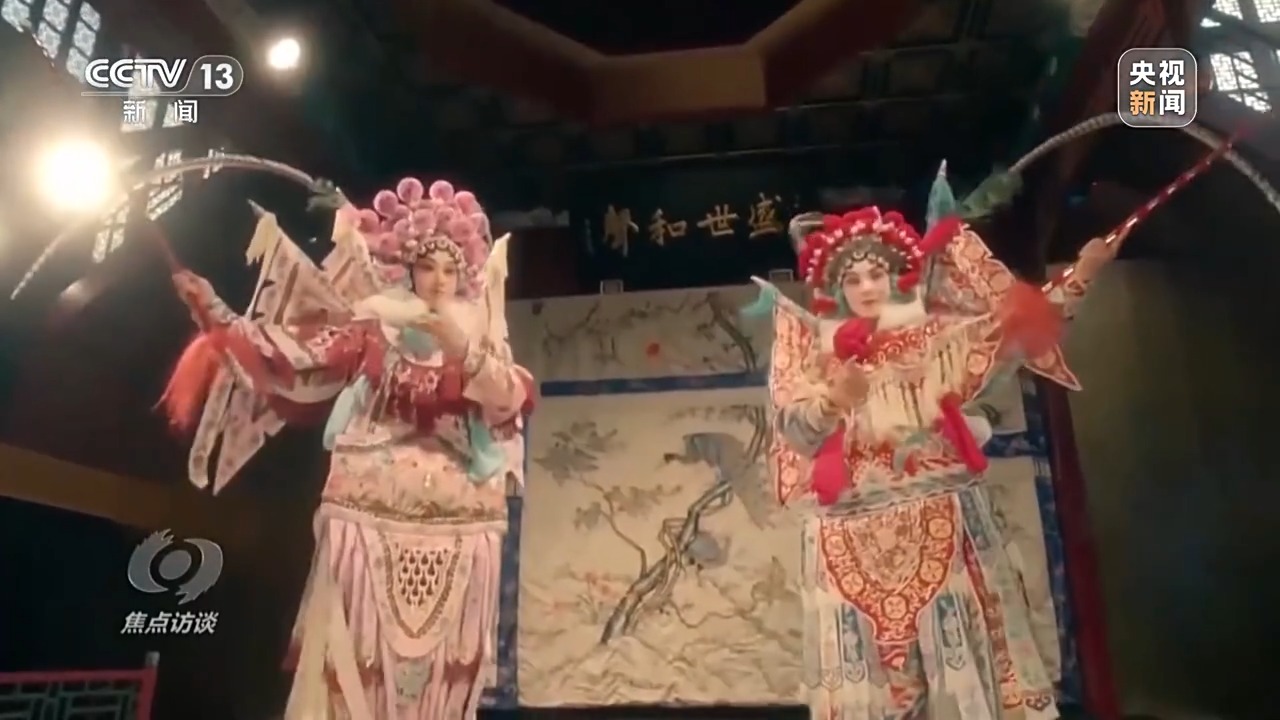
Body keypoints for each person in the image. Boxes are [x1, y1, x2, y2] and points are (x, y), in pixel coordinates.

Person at [749, 142, 1235, 719]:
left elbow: (1010, 335)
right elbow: (795, 431)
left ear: (897, 277)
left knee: (969, 667)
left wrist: (1083, 272)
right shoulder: (809, 348)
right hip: (846, 533)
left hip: (940, 515)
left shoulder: (934, 342)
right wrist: (833, 401)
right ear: (834, 287)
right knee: (881, 688)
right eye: (851, 278)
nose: (866, 286)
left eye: (877, 272)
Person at [167, 178, 534, 720]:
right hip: (366, 510)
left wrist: (461, 349)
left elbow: (507, 400)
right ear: (407, 269)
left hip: (461, 516)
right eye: (427, 266)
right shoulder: (374, 328)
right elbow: (294, 354)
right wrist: (215, 309)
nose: (438, 279)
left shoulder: (479, 338)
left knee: (446, 673)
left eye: (449, 269)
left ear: (465, 276)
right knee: (352, 661)